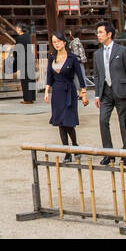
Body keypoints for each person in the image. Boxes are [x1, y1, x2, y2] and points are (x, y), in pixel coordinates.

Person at [93, 20, 126, 164]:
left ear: (109, 34)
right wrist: (97, 94)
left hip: (122, 90)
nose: (98, 35)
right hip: (105, 92)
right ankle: (108, 153)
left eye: (101, 32)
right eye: (97, 32)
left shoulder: (122, 51)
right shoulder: (97, 54)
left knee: (124, 122)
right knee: (102, 120)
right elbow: (97, 75)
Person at [44, 31, 88, 159]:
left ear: (64, 42)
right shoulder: (52, 57)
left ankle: (74, 144)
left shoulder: (72, 58)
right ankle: (67, 152)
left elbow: (80, 77)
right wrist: (47, 91)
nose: (56, 44)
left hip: (69, 91)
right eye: (54, 42)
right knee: (60, 122)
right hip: (57, 91)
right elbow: (49, 76)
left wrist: (83, 92)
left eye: (58, 41)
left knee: (68, 121)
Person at [13, 24, 37, 104]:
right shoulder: (28, 36)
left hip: (24, 60)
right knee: (31, 79)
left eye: (17, 28)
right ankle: (32, 97)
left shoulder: (19, 38)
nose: (16, 29)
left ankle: (27, 99)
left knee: (25, 80)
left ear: (19, 29)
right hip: (30, 58)